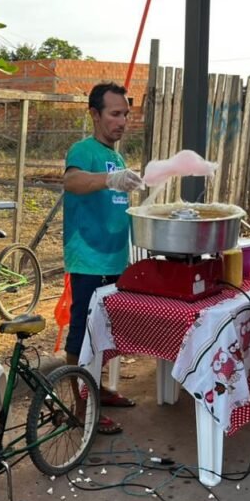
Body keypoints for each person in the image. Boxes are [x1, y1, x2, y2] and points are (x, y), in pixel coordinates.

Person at [62, 81, 143, 435]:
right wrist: (111, 179)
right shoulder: (83, 150)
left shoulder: (118, 157)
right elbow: (73, 182)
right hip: (89, 261)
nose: (122, 121)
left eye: (125, 114)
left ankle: (96, 388)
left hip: (114, 260)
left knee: (106, 333)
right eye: (114, 114)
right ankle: (80, 408)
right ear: (95, 114)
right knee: (81, 336)